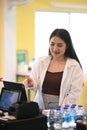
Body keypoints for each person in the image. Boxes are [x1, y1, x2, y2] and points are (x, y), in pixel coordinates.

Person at [23, 28, 83, 110]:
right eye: (52, 44)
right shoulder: (40, 62)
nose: (55, 49)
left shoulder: (74, 66)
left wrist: (60, 112)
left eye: (60, 45)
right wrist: (32, 83)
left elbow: (74, 93)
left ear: (67, 46)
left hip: (62, 110)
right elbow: (36, 84)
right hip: (41, 108)